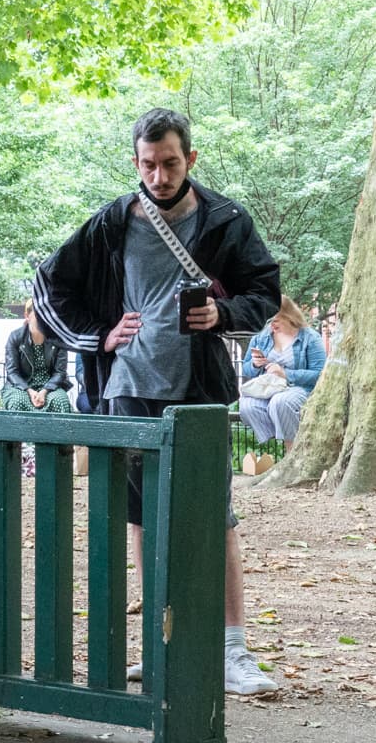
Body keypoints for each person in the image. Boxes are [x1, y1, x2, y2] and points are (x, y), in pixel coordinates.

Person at [32, 108, 283, 697]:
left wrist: (225, 314)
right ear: (136, 162)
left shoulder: (225, 220)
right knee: (142, 522)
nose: (159, 176)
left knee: (214, 517)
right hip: (127, 392)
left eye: (170, 163)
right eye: (148, 164)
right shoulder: (112, 222)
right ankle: (159, 644)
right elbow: (50, 284)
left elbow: (264, 291)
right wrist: (98, 335)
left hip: (198, 394)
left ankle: (232, 652)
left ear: (190, 159)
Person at [237, 297, 328, 450]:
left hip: (298, 388)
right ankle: (278, 438)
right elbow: (246, 369)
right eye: (269, 321)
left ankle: (291, 449)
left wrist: (285, 373)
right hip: (269, 388)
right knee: (247, 405)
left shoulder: (310, 338)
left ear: (289, 316)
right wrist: (255, 364)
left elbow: (319, 374)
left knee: (280, 402)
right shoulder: (261, 337)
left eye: (276, 321)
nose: (271, 325)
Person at [0, 308, 64, 412]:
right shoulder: (15, 337)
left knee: (60, 401)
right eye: (38, 315)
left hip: (50, 386)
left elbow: (60, 372)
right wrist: (29, 391)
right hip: (21, 385)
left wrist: (44, 391)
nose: (42, 319)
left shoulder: (57, 338)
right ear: (27, 316)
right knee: (17, 401)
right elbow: (12, 372)